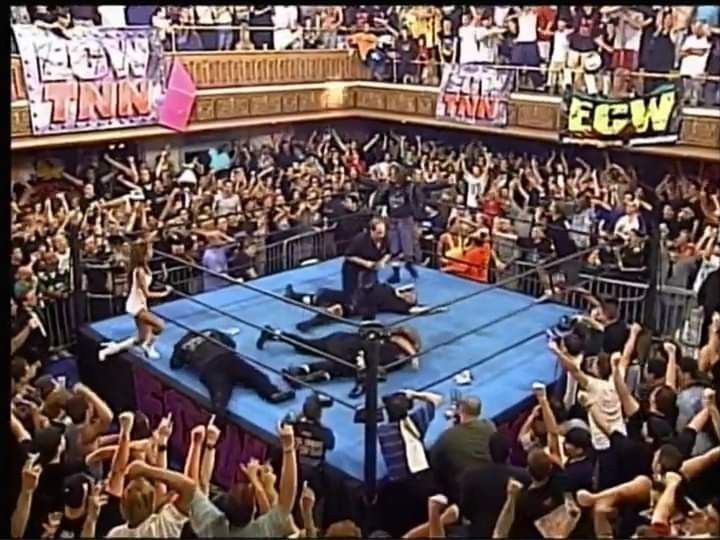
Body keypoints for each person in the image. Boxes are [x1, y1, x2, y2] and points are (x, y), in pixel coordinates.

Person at [257, 324, 422, 396]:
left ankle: (275, 334)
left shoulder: (383, 336)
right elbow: (373, 363)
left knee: (305, 345)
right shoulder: (393, 352)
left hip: (340, 339)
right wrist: (413, 355)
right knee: (341, 368)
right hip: (350, 351)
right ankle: (302, 374)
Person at [170, 328, 294, 418]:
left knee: (220, 393)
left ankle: (219, 412)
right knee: (254, 375)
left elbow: (175, 364)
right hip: (226, 359)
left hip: (209, 367)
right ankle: (272, 393)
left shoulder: (181, 345)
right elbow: (231, 344)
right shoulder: (210, 332)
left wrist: (187, 355)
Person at [98, 240, 171, 361]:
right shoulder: (140, 271)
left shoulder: (143, 268)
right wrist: (165, 293)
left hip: (141, 304)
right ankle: (148, 347)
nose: (152, 252)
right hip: (136, 306)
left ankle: (110, 350)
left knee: (140, 338)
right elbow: (147, 293)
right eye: (150, 250)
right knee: (160, 326)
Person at [284, 282, 444, 331]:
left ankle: (308, 324)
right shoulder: (391, 289)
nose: (410, 296)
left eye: (412, 298)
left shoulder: (400, 306)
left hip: (362, 305)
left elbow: (419, 310)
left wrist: (437, 309)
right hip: (355, 292)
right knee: (321, 296)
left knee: (336, 310)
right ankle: (294, 296)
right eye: (410, 293)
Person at [430, 396, 497, 503]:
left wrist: (451, 429)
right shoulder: (490, 426)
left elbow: (433, 458)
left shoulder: (448, 436)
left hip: (466, 490)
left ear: (460, 410)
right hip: (491, 481)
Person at [341, 217, 392, 314]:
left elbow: (388, 253)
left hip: (372, 268)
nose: (382, 235)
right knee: (350, 295)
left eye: (383, 232)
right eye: (379, 233)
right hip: (353, 268)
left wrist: (382, 262)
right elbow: (348, 256)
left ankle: (368, 309)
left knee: (372, 291)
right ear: (371, 231)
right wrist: (365, 263)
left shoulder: (385, 238)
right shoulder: (360, 239)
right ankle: (323, 295)